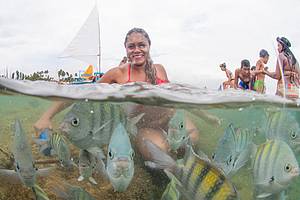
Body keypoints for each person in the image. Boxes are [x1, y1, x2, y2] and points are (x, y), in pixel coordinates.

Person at [34, 28, 210, 161]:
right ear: (125, 49)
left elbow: (178, 97)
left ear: (149, 46)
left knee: (192, 137)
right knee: (159, 151)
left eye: (142, 45)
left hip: (172, 119)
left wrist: (206, 115)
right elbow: (82, 93)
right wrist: (46, 117)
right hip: (146, 127)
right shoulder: (117, 74)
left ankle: (188, 161)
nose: (137, 50)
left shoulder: (159, 69)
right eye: (131, 46)